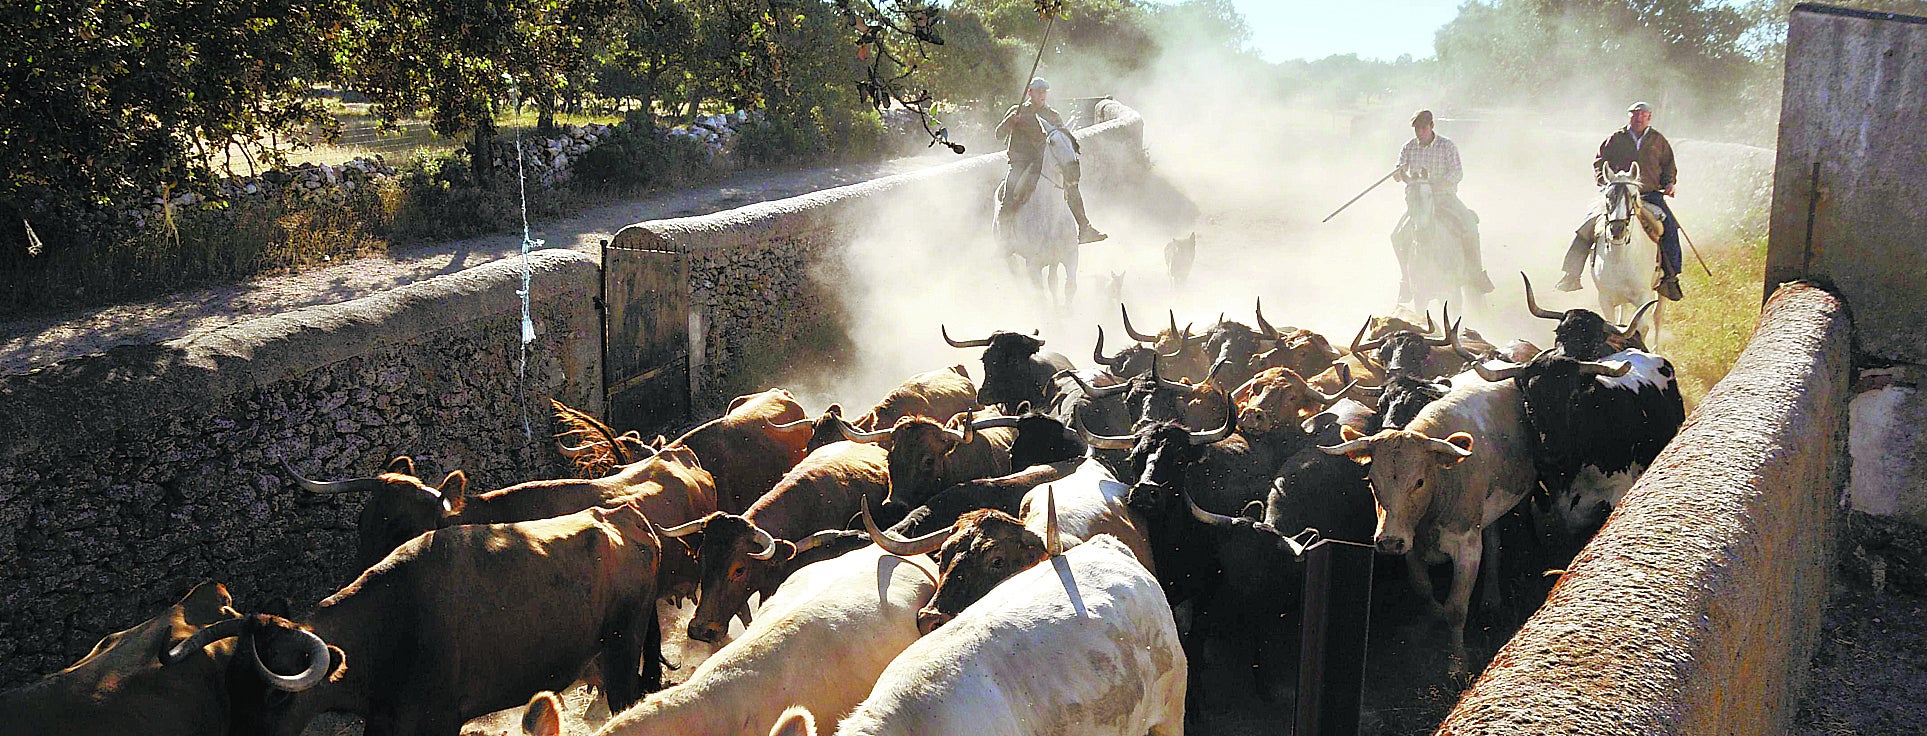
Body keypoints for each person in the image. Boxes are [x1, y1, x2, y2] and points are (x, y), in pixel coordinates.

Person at [1555, 101, 1684, 300]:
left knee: (1670, 227)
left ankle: (1670, 277)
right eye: (1635, 114)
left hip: (1648, 194)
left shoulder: (1658, 140)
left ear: (1649, 117)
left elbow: (1669, 165)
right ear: (1629, 116)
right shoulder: (1616, 139)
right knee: (1587, 226)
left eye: (1643, 115)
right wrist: (1604, 181)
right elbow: (1599, 162)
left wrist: (1669, 183)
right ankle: (1572, 274)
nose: (1638, 118)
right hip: (1615, 192)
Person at [1391, 110, 1493, 295]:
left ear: (1431, 126)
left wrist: (1436, 184)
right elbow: (1400, 170)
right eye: (1416, 129)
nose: (1420, 132)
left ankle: (1476, 274)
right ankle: (1406, 279)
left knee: (1470, 227)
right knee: (1396, 236)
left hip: (1445, 198)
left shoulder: (1446, 146)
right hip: (1419, 203)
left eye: (1423, 128)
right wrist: (1398, 173)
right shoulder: (1408, 148)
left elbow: (1457, 173)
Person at [995, 77, 1107, 245]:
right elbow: (998, 134)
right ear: (1029, 93)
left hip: (1045, 162)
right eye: (1038, 91)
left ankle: (1084, 228)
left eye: (1044, 92)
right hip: (1020, 162)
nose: (1042, 95)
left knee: (1071, 185)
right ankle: (1005, 242)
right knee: (1009, 193)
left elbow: (1064, 137)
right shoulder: (1017, 111)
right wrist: (1011, 121)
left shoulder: (1052, 115)